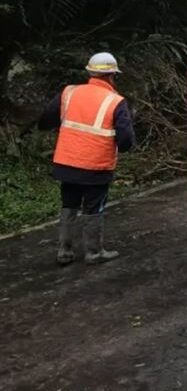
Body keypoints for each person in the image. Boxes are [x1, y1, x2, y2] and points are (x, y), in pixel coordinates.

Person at [38, 52, 136, 265]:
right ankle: (93, 252)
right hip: (96, 166)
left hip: (66, 162)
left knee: (69, 204)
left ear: (90, 72)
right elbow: (126, 139)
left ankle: (64, 252)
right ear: (112, 75)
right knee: (94, 207)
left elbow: (45, 118)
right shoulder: (115, 101)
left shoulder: (69, 92)